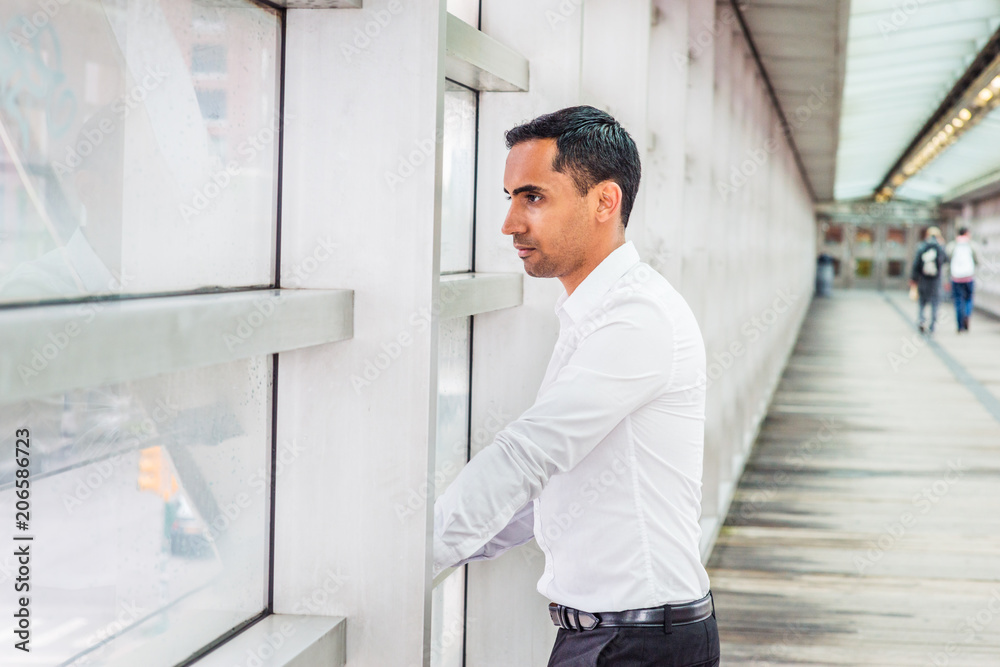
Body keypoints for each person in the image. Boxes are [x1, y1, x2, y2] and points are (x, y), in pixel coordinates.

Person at [432, 106, 719, 667]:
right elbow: (549, 490)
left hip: (637, 644)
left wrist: (403, 554)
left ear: (604, 202)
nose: (510, 222)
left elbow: (528, 455)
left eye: (533, 197)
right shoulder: (593, 315)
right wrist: (456, 541)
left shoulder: (638, 318)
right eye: (510, 196)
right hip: (613, 638)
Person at [909, 226, 946, 335]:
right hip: (936, 280)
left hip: (923, 279)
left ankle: (921, 320)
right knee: (935, 302)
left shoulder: (922, 246)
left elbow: (916, 264)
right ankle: (932, 324)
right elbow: (945, 260)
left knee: (922, 302)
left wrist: (913, 278)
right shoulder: (940, 247)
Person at [945, 226, 980, 332]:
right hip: (969, 277)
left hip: (955, 277)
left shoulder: (952, 245)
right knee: (969, 298)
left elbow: (947, 262)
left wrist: (947, 279)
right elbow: (977, 261)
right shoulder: (972, 245)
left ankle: (959, 325)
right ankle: (967, 314)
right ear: (967, 233)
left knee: (958, 301)